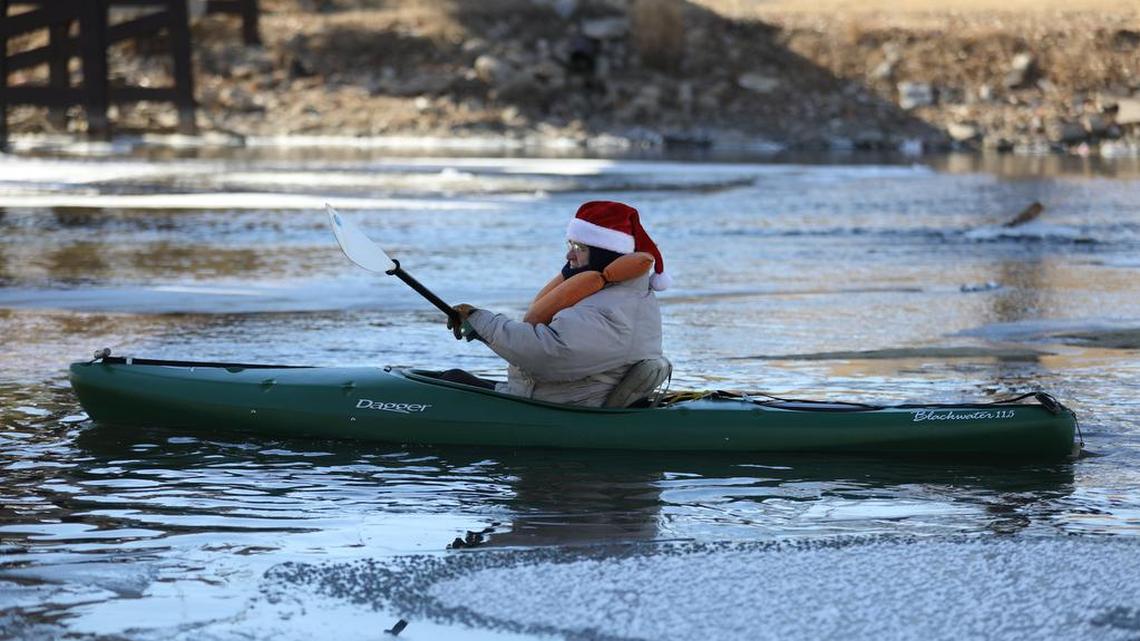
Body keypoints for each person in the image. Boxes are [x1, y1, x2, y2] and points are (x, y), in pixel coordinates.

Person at [440, 201, 670, 407]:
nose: (569, 255)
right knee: (454, 378)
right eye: (570, 244)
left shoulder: (609, 308)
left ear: (604, 254)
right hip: (560, 397)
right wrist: (480, 329)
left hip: (560, 407)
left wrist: (481, 321)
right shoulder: (620, 296)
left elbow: (547, 353)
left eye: (580, 248)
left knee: (451, 382)